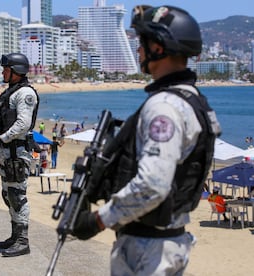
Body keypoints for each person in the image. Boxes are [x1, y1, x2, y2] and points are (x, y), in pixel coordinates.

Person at [70, 5, 221, 275]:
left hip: (148, 248)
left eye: (142, 42)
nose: (138, 50)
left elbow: (152, 185)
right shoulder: (192, 100)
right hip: (162, 241)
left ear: (159, 48)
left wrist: (97, 220)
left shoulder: (164, 106)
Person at [0, 52, 39, 257]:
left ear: (17, 71)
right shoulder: (10, 93)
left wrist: (1, 139)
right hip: (8, 151)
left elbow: (23, 124)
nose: (3, 72)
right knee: (8, 194)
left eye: (6, 69)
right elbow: (2, 119)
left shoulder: (25, 94)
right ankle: (15, 235)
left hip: (18, 151)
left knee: (17, 195)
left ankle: (23, 240)